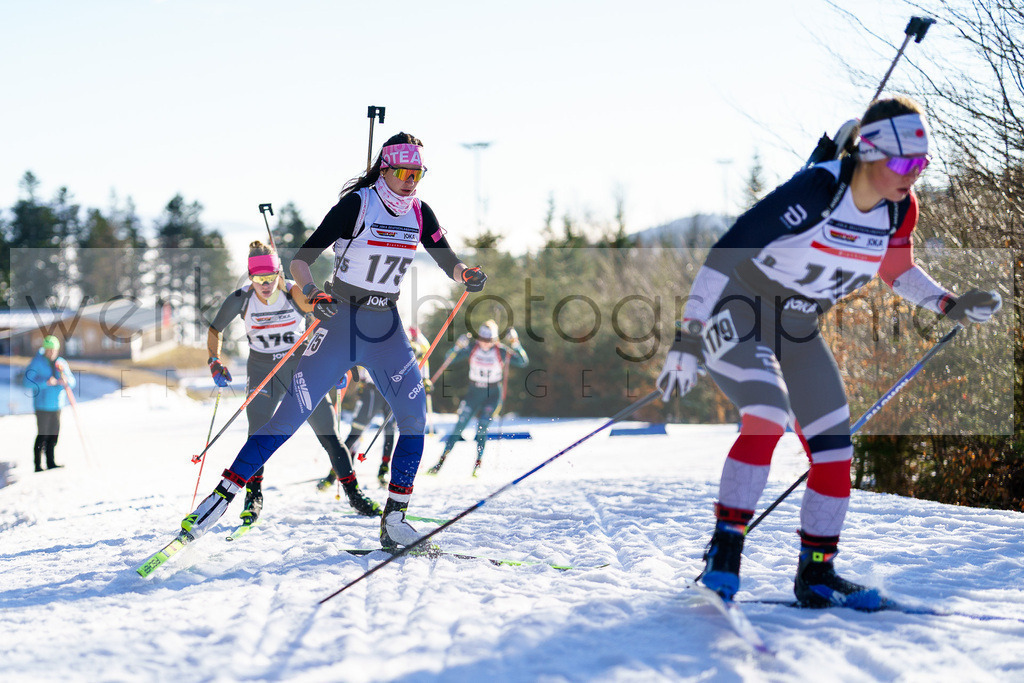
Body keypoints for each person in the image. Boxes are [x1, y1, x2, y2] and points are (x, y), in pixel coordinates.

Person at [657, 96, 1002, 609]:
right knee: (768, 413)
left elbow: (896, 271)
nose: (916, 175)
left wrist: (949, 304)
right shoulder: (819, 189)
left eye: (923, 163)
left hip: (798, 329)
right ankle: (725, 548)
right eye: (906, 163)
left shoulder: (901, 207)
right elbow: (726, 250)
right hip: (741, 313)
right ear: (871, 153)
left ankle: (817, 573)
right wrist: (687, 336)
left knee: (836, 449)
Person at [181, 132, 486, 551]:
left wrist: (465, 274)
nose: (410, 180)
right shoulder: (357, 205)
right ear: (385, 169)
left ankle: (395, 518)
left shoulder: (419, 213)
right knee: (286, 420)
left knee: (414, 417)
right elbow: (301, 260)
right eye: (402, 171)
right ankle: (220, 499)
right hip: (340, 320)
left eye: (417, 173)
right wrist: (314, 294)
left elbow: (446, 258)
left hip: (385, 328)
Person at [207, 240, 380, 523]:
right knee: (258, 434)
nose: (266, 284)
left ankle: (354, 494)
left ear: (278, 273)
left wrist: (335, 364)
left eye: (271, 277)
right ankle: (253, 496)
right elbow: (215, 329)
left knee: (328, 433)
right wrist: (214, 360)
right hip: (262, 370)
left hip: (300, 367)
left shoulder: (293, 292)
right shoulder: (240, 298)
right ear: (250, 277)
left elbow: (325, 317)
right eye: (259, 279)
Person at [316, 327, 432, 490]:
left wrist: (424, 379)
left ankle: (383, 470)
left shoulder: (408, 331)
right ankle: (338, 471)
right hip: (372, 390)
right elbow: (358, 353)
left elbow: (422, 355)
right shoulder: (371, 328)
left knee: (390, 430)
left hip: (394, 389)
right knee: (357, 431)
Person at [426, 320, 528, 477]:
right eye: (482, 339)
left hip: (492, 395)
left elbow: (522, 361)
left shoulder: (500, 351)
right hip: (474, 393)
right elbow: (449, 359)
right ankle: (439, 464)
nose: (485, 344)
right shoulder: (472, 349)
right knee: (459, 427)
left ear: (494, 340)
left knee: (482, 427)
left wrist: (515, 342)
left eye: (489, 340)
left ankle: (477, 465)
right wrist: (458, 347)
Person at [22, 335, 75, 472]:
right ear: (44, 349)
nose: (51, 352)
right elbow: (27, 382)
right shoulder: (36, 363)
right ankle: (38, 465)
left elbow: (72, 381)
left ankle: (51, 462)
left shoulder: (61, 363)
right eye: (49, 349)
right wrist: (45, 383)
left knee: (54, 434)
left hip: (57, 405)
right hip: (42, 405)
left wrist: (66, 381)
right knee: (42, 434)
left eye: (53, 350)